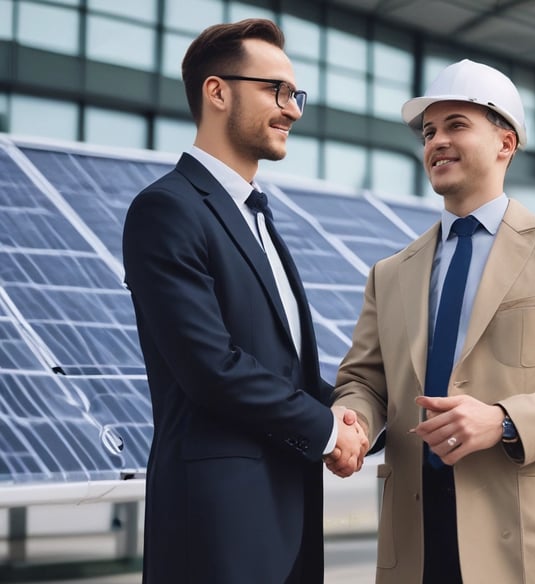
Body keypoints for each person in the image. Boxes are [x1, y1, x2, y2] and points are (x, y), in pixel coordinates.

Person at [331, 59, 535, 584]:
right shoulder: (389, 273)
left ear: (505, 144)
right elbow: (364, 381)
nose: (437, 141)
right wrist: (352, 423)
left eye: (456, 125)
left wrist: (503, 420)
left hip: (531, 542)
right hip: (418, 540)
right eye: (429, 131)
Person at [122, 19, 368, 584]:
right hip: (215, 528)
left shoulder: (258, 217)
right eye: (275, 91)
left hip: (287, 519)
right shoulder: (167, 210)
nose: (293, 109)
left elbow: (287, 372)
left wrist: (375, 417)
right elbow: (211, 367)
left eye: (295, 94)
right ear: (217, 91)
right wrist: (331, 433)